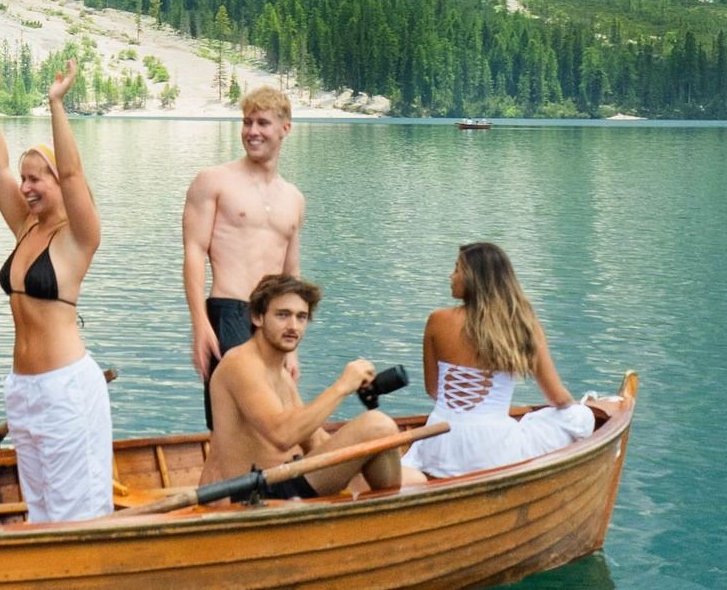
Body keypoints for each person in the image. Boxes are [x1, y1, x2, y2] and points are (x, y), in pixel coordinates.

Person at [0, 54, 113, 523]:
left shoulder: (79, 237)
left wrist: (56, 104)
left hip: (66, 387)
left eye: (37, 179)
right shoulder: (25, 229)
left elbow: (72, 174)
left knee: (77, 509)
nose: (27, 188)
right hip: (23, 390)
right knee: (40, 508)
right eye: (26, 178)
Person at [404, 241, 626, 482]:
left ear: (473, 278)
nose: (451, 275)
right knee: (581, 416)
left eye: (456, 269)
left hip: (438, 439)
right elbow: (558, 398)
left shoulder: (437, 320)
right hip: (491, 448)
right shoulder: (522, 325)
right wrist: (578, 408)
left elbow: (433, 390)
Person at [203, 272, 408, 495]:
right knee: (378, 425)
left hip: (292, 475)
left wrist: (363, 455)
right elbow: (282, 436)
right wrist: (342, 387)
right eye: (283, 315)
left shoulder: (280, 374)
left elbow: (315, 440)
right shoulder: (240, 364)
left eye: (301, 317)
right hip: (260, 492)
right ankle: (388, 518)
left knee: (407, 470)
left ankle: (384, 519)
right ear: (257, 317)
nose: (293, 326)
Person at [181, 85, 306, 427]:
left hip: (273, 319)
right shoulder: (214, 181)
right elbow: (193, 252)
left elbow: (290, 275)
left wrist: (292, 344)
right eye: (247, 122)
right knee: (232, 426)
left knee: (276, 422)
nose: (252, 132)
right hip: (229, 312)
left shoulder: (293, 198)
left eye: (262, 123)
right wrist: (200, 325)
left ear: (285, 128)